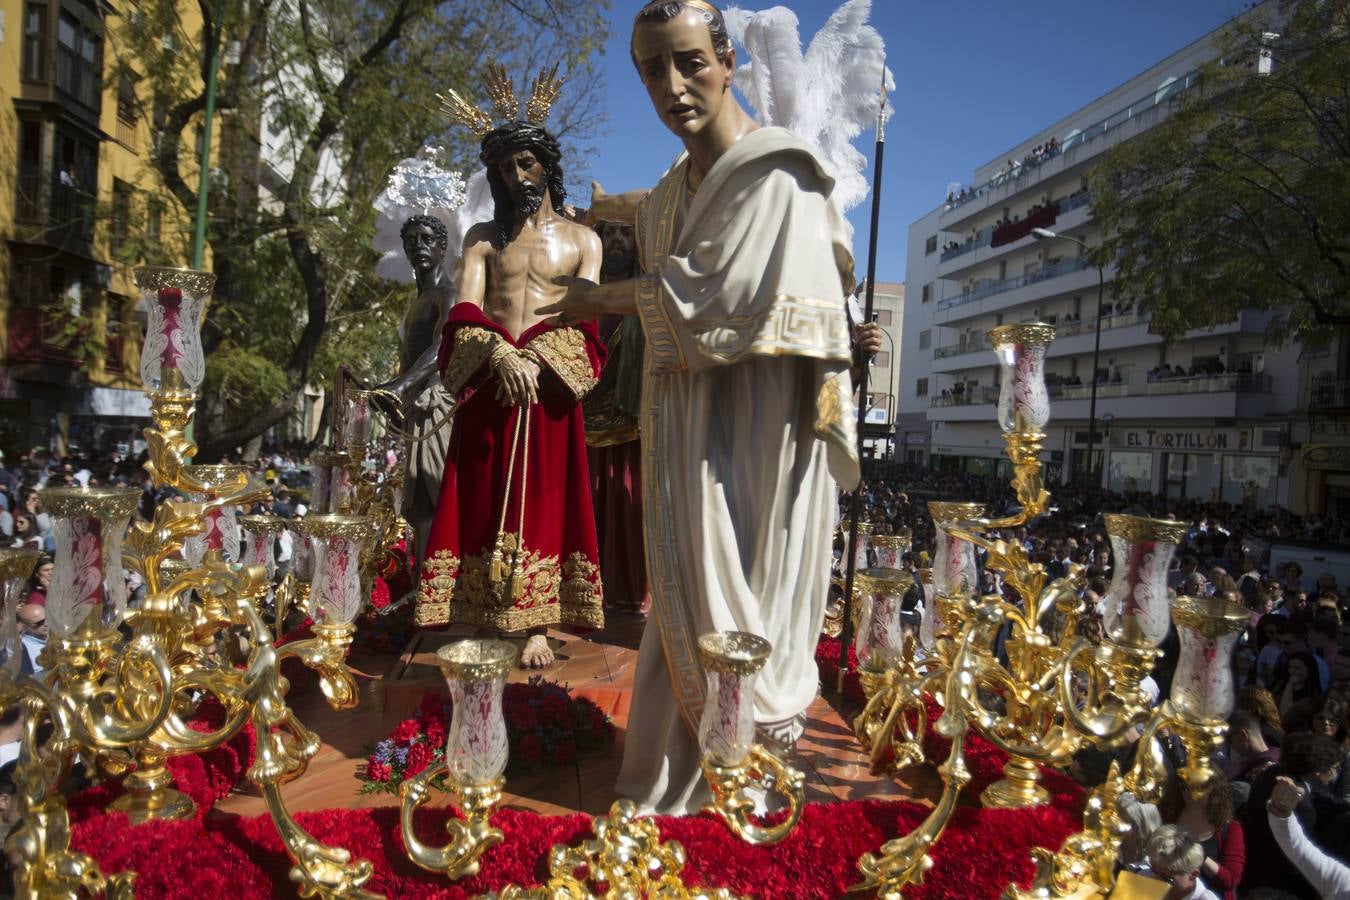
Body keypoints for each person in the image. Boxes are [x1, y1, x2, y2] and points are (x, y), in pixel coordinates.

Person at [542, 0, 860, 814]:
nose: (674, 85)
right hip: (692, 430)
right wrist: (586, 209)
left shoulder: (778, 173)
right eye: (654, 68)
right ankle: (676, 782)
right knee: (682, 589)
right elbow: (649, 218)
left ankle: (734, 786)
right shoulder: (675, 190)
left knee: (736, 597)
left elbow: (708, 300)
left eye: (689, 61)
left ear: (726, 57)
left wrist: (598, 297)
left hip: (757, 441)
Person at [417, 82, 606, 668]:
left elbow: (587, 319)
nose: (515, 176)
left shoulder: (584, 241)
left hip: (547, 387)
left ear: (547, 167)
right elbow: (466, 310)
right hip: (493, 383)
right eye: (504, 168)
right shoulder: (483, 240)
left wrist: (537, 358)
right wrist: (498, 354)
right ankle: (476, 610)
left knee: (550, 499)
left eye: (525, 163)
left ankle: (538, 625)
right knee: (479, 490)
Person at [380, 215, 457, 572]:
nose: (418, 247)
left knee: (434, 494)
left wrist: (400, 386)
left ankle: (439, 586)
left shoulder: (449, 294)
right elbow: (409, 356)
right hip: (415, 408)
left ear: (443, 247)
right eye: (411, 241)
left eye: (426, 239)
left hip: (436, 408)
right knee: (418, 502)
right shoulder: (419, 300)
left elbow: (445, 344)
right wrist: (391, 392)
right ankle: (422, 588)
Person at [581, 219, 649, 614]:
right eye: (610, 234)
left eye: (627, 233)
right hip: (584, 418)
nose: (618, 241)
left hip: (631, 422)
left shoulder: (646, 297)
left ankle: (628, 593)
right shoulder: (582, 294)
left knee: (628, 503)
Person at [1143, 825, 1221, 900]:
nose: (1156, 881)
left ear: (1193, 874)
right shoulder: (1140, 876)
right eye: (1154, 870)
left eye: (1166, 878)